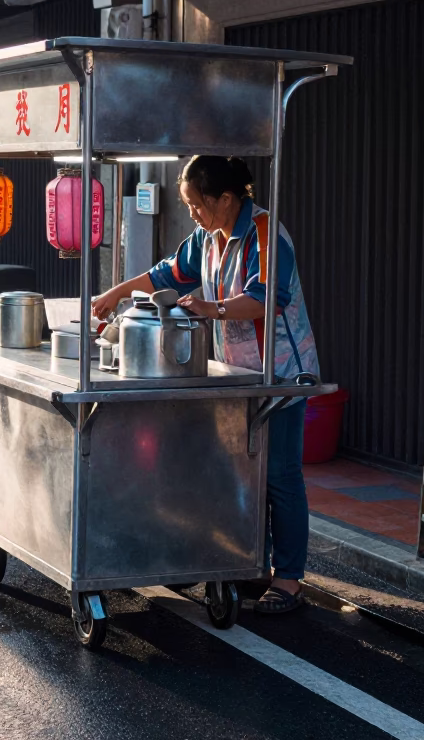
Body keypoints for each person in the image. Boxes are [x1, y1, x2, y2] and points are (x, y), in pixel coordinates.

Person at [93, 155, 318, 615]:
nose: (192, 213)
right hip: (236, 376)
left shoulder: (264, 233)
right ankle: (253, 564)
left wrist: (208, 308)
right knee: (240, 472)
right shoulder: (208, 237)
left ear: (226, 198)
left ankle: (290, 578)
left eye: (196, 204)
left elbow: (264, 299)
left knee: (279, 476)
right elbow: (165, 274)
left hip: (280, 375)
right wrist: (115, 293)